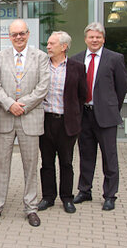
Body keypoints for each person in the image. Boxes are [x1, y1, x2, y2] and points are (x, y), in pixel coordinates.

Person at [0, 19, 49, 227]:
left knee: (30, 166)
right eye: (14, 34)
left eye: (22, 33)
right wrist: (9, 104)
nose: (18, 37)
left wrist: (21, 104)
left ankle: (31, 207)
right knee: (1, 166)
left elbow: (43, 87)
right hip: (4, 117)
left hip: (29, 118)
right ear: (9, 36)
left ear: (28, 34)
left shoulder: (40, 57)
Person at [71, 22, 127, 211]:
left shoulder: (115, 58)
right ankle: (84, 191)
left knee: (109, 157)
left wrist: (110, 108)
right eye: (91, 37)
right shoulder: (77, 59)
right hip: (84, 115)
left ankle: (110, 195)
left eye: (98, 37)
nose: (94, 40)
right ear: (85, 39)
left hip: (106, 116)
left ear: (103, 38)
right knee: (86, 155)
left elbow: (121, 88)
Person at [37, 31, 87, 214]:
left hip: (67, 123)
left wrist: (75, 117)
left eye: (52, 44)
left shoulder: (77, 67)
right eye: (48, 43)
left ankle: (67, 198)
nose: (48, 47)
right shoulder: (42, 65)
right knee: (46, 162)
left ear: (64, 46)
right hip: (45, 121)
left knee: (66, 162)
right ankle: (48, 197)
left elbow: (83, 95)